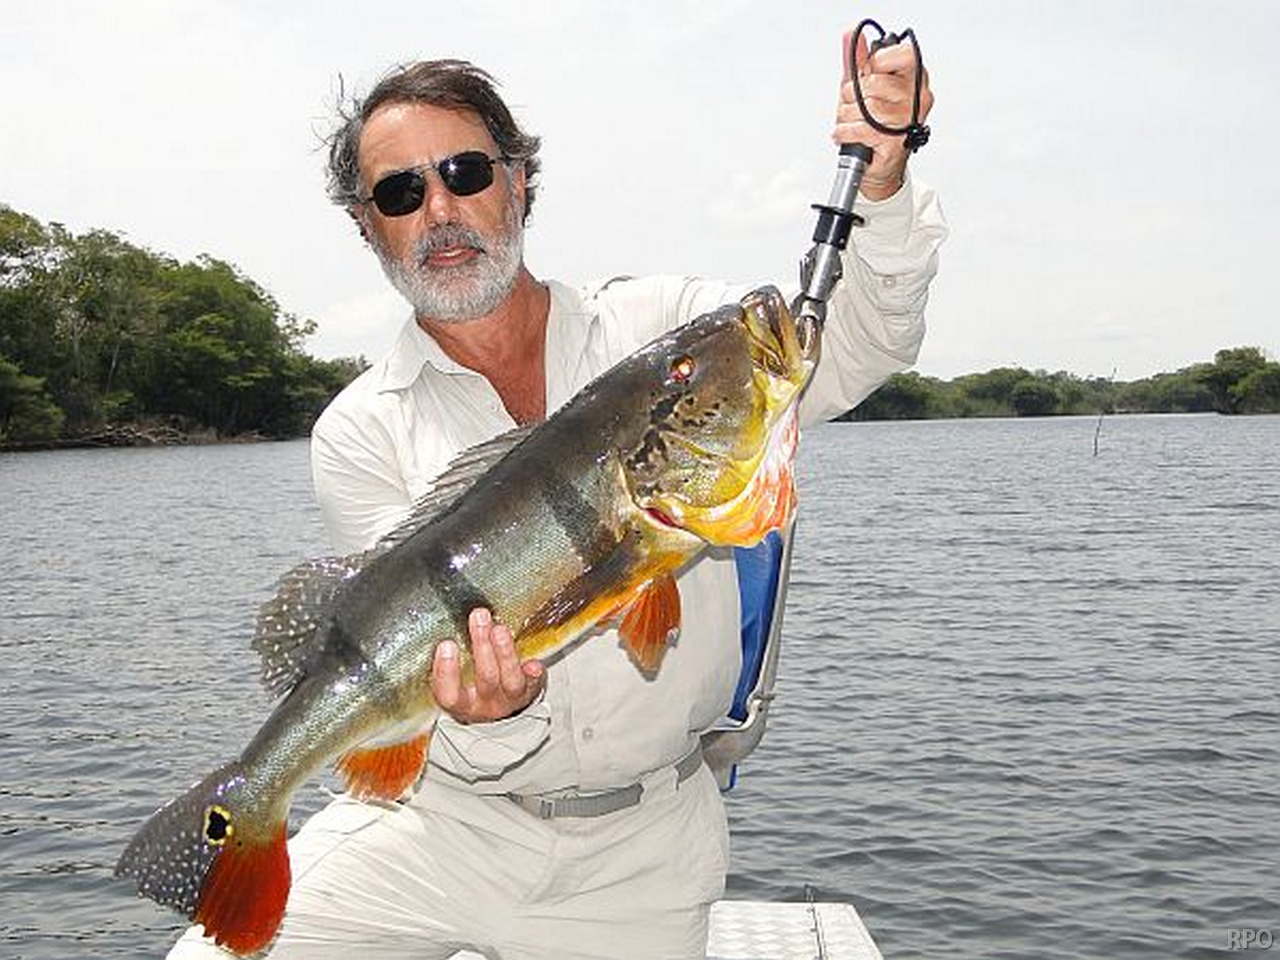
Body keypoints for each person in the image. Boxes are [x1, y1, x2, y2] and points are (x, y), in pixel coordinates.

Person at [167, 32, 946, 960]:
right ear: (367, 227)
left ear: (520, 180)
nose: (440, 210)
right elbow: (409, 695)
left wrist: (883, 181)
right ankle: (246, 809)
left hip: (642, 846)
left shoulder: (657, 328)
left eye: (464, 172)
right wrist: (488, 711)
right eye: (400, 193)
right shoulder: (359, 428)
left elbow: (859, 341)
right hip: (434, 826)